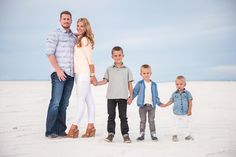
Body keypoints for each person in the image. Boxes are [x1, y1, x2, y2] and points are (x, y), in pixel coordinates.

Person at [45, 11, 77, 138]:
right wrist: (58, 70)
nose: (66, 21)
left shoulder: (73, 37)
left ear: (71, 21)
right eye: (64, 19)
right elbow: (49, 53)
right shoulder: (54, 34)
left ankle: (60, 130)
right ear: (60, 20)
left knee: (64, 104)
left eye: (68, 19)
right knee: (55, 102)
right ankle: (50, 131)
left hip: (70, 74)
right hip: (59, 73)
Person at [66, 18, 97, 138]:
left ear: (86, 27)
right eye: (78, 25)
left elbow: (90, 60)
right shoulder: (79, 38)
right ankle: (91, 127)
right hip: (79, 74)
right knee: (88, 99)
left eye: (82, 26)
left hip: (84, 74)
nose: (79, 28)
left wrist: (92, 75)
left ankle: (74, 128)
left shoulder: (85, 40)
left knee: (80, 100)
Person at [96, 46, 133, 143]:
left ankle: (125, 135)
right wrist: (96, 83)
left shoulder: (127, 70)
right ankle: (110, 134)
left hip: (123, 97)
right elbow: (105, 81)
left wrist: (131, 96)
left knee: (123, 116)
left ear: (123, 55)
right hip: (111, 97)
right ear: (112, 56)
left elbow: (130, 84)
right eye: (115, 55)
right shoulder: (109, 69)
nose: (118, 57)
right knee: (111, 116)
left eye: (119, 55)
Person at [130, 64, 163, 141]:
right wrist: (130, 99)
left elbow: (156, 95)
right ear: (141, 74)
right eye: (144, 73)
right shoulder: (140, 84)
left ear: (150, 73)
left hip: (152, 106)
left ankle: (153, 134)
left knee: (151, 120)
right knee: (142, 120)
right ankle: (141, 134)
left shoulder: (154, 84)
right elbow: (135, 92)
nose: (146, 75)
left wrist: (159, 103)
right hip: (142, 106)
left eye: (148, 73)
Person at [160, 75, 193, 142]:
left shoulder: (187, 93)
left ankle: (187, 136)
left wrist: (189, 110)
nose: (179, 86)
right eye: (177, 84)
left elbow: (190, 102)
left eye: (181, 84)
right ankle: (174, 135)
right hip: (176, 113)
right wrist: (165, 105)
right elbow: (171, 101)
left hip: (184, 113)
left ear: (185, 84)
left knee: (186, 124)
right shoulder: (174, 94)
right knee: (175, 124)